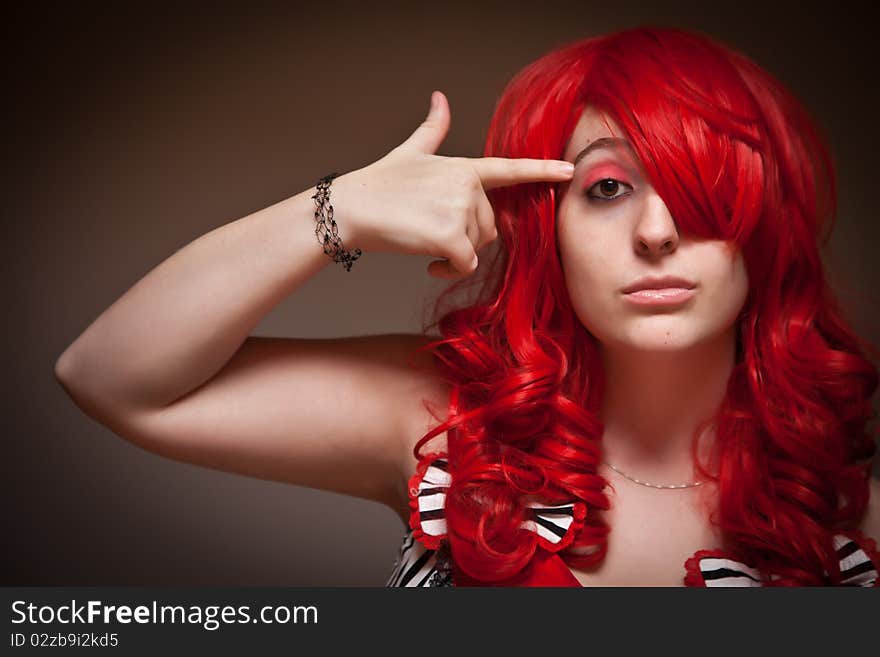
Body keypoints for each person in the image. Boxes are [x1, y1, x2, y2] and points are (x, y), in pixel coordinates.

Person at [55, 25, 880, 587]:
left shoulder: (853, 502)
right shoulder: (443, 421)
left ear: (768, 226)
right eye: (607, 187)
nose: (658, 231)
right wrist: (339, 209)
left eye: (705, 186)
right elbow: (110, 376)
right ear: (546, 229)